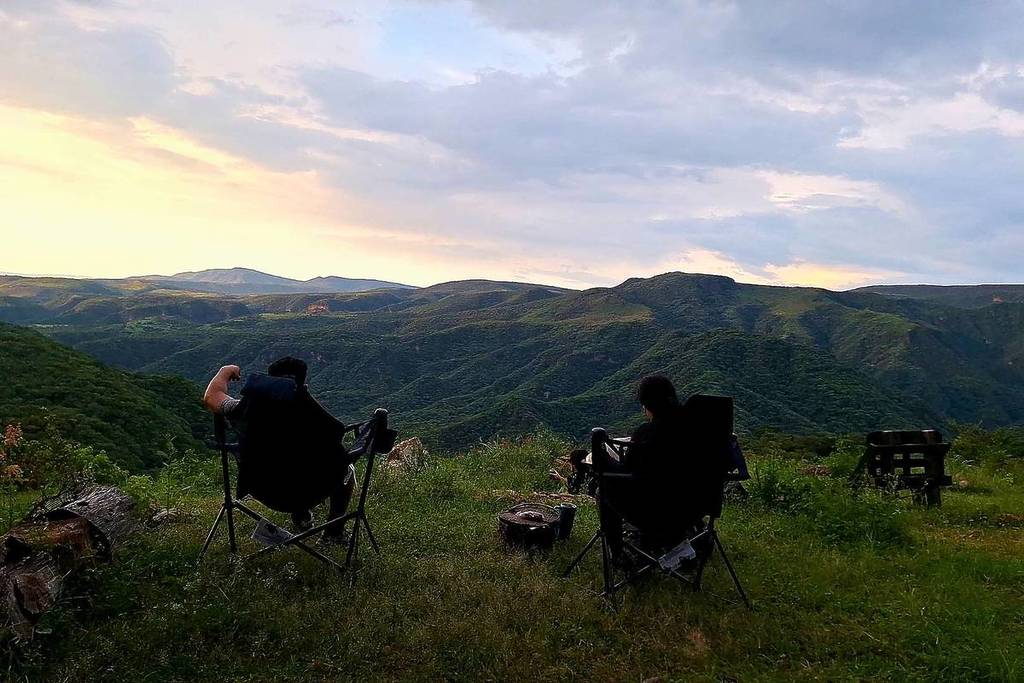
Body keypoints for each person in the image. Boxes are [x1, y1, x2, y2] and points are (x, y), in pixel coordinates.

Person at [203, 356, 354, 543]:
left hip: (264, 489)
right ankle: (333, 534)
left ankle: (302, 518)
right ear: (302, 382)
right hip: (310, 491)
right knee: (347, 469)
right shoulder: (317, 418)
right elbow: (338, 446)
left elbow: (212, 397)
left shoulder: (244, 409)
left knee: (287, 461)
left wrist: (225, 370)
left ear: (270, 380)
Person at [594, 375, 698, 564]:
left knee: (604, 489)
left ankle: (618, 555)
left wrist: (604, 458)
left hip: (654, 511)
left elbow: (625, 472)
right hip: (694, 508)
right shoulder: (699, 432)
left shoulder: (648, 432)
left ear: (647, 404)